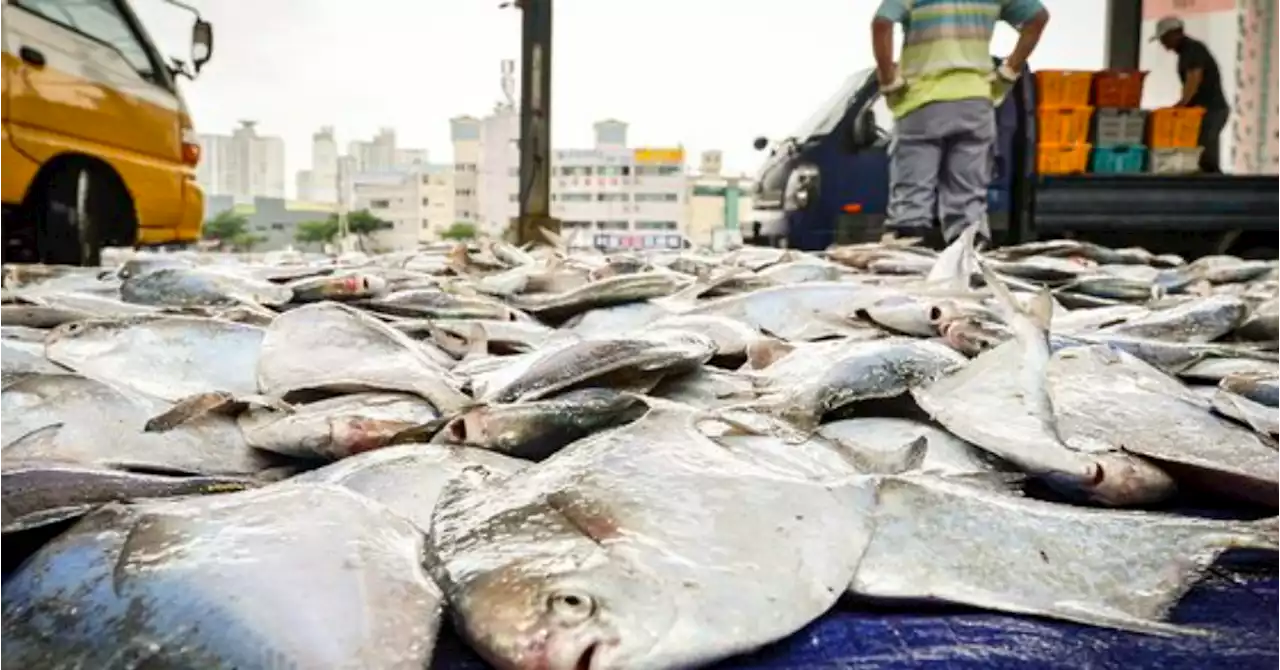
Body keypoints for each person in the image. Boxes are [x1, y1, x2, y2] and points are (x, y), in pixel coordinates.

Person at [872, 0, 1050, 248]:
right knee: (968, 204)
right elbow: (1037, 17)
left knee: (911, 205)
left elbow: (882, 23)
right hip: (975, 102)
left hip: (922, 101)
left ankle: (907, 257)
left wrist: (888, 79)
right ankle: (969, 264)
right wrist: (1010, 71)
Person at [1153, 16, 1230, 174]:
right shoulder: (1187, 51)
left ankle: (1216, 187)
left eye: (1164, 38)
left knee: (1206, 154)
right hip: (1204, 110)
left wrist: (1182, 104)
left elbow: (1194, 78)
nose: (1162, 43)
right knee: (1199, 153)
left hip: (1211, 110)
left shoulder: (1192, 49)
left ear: (1176, 34)